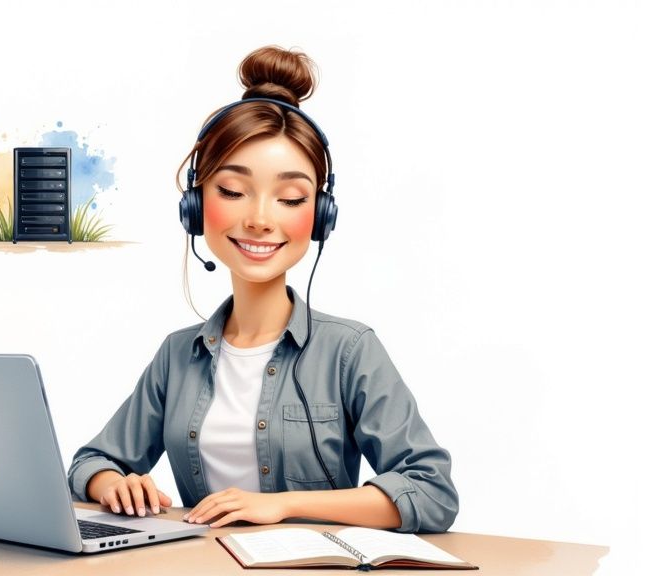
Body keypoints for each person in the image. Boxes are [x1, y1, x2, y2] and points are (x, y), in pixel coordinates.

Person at [66, 46, 458, 534]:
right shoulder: (177, 355)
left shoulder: (350, 350)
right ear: (194, 205)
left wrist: (281, 505)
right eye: (232, 191)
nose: (259, 219)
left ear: (320, 215)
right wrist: (110, 483)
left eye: (291, 198)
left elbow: (432, 492)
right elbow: (91, 462)